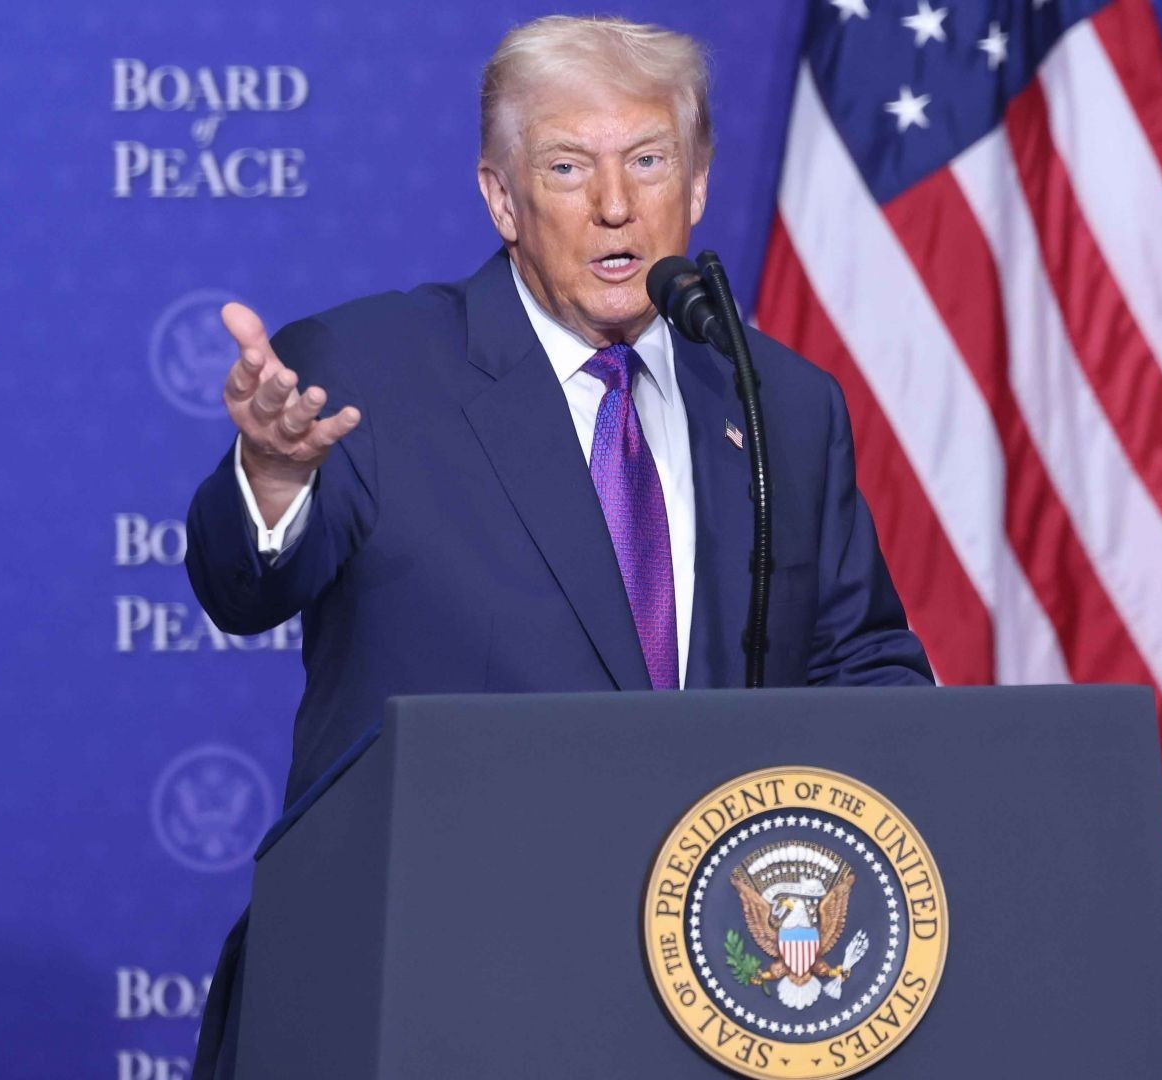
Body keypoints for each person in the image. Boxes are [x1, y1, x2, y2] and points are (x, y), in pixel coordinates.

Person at [183, 15, 933, 1076]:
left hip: (696, 1005)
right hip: (418, 987)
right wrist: (272, 475)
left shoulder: (780, 406)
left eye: (649, 160)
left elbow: (863, 664)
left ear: (701, 180)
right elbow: (243, 588)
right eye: (569, 166)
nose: (616, 205)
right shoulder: (367, 369)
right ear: (502, 198)